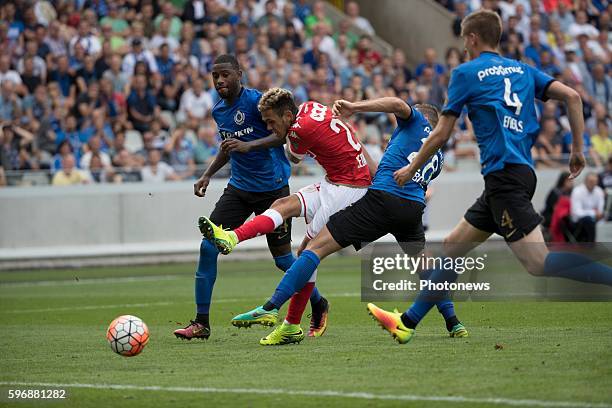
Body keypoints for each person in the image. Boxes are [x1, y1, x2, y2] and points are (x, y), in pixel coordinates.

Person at [387, 10, 612, 341]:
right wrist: (578, 149)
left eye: (464, 39)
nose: (464, 46)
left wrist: (412, 167)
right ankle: (407, 323)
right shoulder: (522, 70)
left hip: (505, 179)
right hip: (514, 174)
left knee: (538, 262)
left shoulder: (466, 73)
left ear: (473, 38)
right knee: (451, 247)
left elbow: (441, 134)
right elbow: (573, 97)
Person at [208, 96, 465, 345]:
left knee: (313, 249)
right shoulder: (437, 155)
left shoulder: (417, 122)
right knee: (425, 267)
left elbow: (398, 105)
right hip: (411, 210)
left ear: (424, 118)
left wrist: (354, 106)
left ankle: (271, 308)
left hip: (381, 200)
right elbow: (387, 167)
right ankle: (454, 322)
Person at [200, 87, 376, 342]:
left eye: (271, 122)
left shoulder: (299, 130)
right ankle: (231, 238)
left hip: (348, 188)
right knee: (282, 205)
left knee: (308, 253)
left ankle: (279, 315)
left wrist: (257, 143)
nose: (269, 127)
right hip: (336, 181)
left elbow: (293, 158)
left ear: (286, 115)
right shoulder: (309, 108)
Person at [172, 55, 327, 341]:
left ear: (239, 74)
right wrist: (207, 174)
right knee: (208, 248)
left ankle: (318, 302)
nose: (220, 81)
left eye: (225, 75)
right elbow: (229, 146)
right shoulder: (219, 110)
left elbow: (283, 135)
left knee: (283, 260)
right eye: (215, 75)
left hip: (273, 190)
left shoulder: (258, 103)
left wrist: (249, 145)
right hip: (239, 189)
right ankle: (201, 323)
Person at [570, 172, 605, 242]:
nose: (593, 184)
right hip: (578, 221)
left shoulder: (599, 191)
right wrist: (593, 213)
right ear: (585, 181)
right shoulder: (577, 191)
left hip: (596, 218)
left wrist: (597, 214)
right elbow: (577, 212)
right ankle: (592, 245)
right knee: (589, 220)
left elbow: (600, 210)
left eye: (595, 182)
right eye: (591, 181)